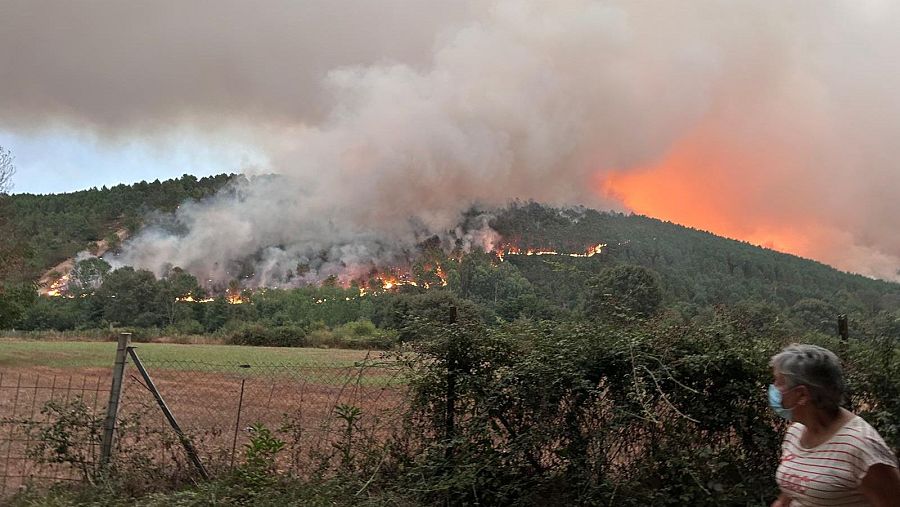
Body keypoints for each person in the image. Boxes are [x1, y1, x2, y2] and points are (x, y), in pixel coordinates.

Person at [769, 344, 900, 506]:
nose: (773, 388)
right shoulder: (796, 431)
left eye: (779, 382)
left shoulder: (862, 447)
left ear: (802, 394)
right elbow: (791, 493)